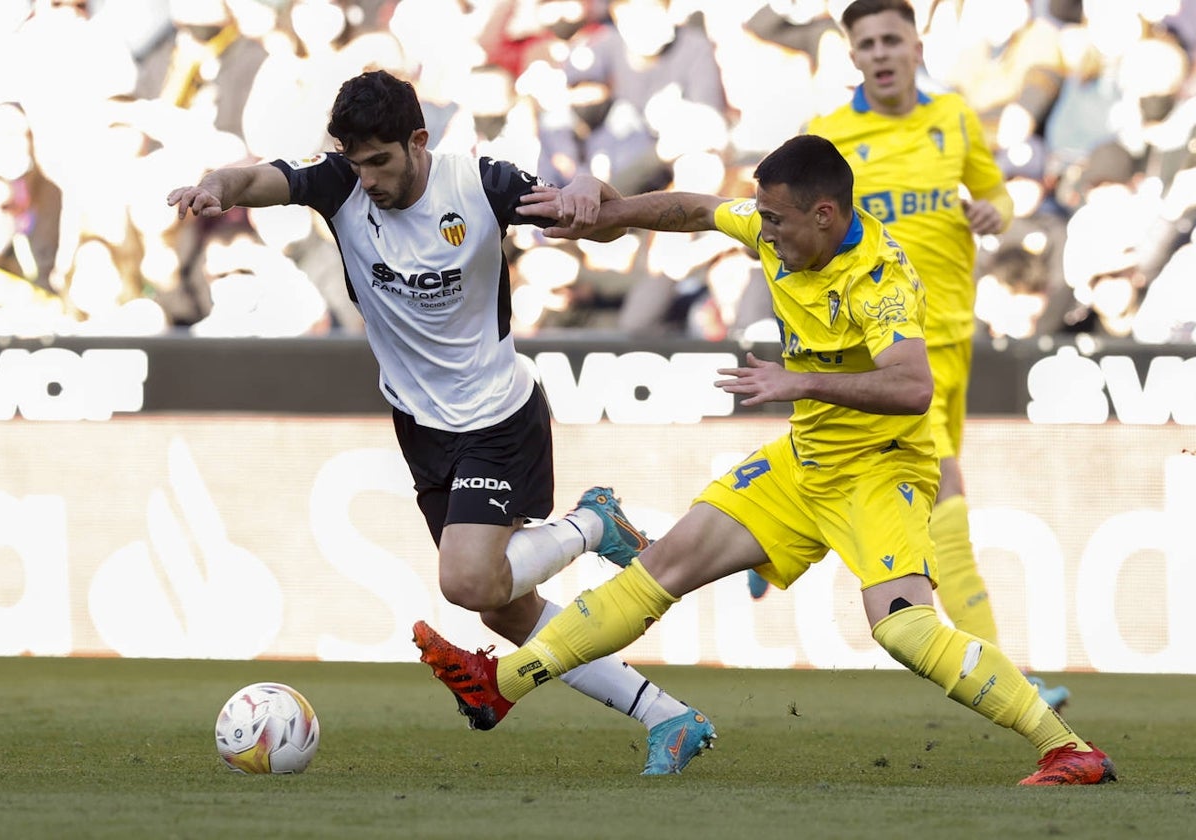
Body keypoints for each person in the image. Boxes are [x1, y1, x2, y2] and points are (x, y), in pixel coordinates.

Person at [413, 133, 1117, 786]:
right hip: (803, 463)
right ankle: (499, 687)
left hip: (880, 469)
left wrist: (797, 381)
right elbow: (694, 210)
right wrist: (614, 212)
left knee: (902, 626)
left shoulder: (881, 280)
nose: (765, 233)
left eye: (777, 221)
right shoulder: (779, 228)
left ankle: (1067, 748)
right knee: (663, 567)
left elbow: (913, 386)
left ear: (824, 214)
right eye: (763, 218)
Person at [166, 69, 712, 775]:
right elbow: (250, 179)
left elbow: (601, 222)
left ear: (418, 141)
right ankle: (669, 718)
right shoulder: (338, 185)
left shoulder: (482, 185)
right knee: (507, 612)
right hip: (422, 430)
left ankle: (590, 524)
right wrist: (215, 186)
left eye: (380, 162)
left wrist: (594, 194)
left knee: (467, 584)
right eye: (356, 163)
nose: (366, 179)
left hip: (498, 417)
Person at [743, 0, 1070, 709]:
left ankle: (768, 549)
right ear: (852, 55)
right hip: (876, 350)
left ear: (918, 44)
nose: (883, 53)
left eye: (894, 38)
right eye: (869, 43)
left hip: (952, 333)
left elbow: (997, 192)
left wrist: (997, 213)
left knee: (918, 483)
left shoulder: (953, 117)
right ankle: (1011, 672)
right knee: (947, 492)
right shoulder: (828, 137)